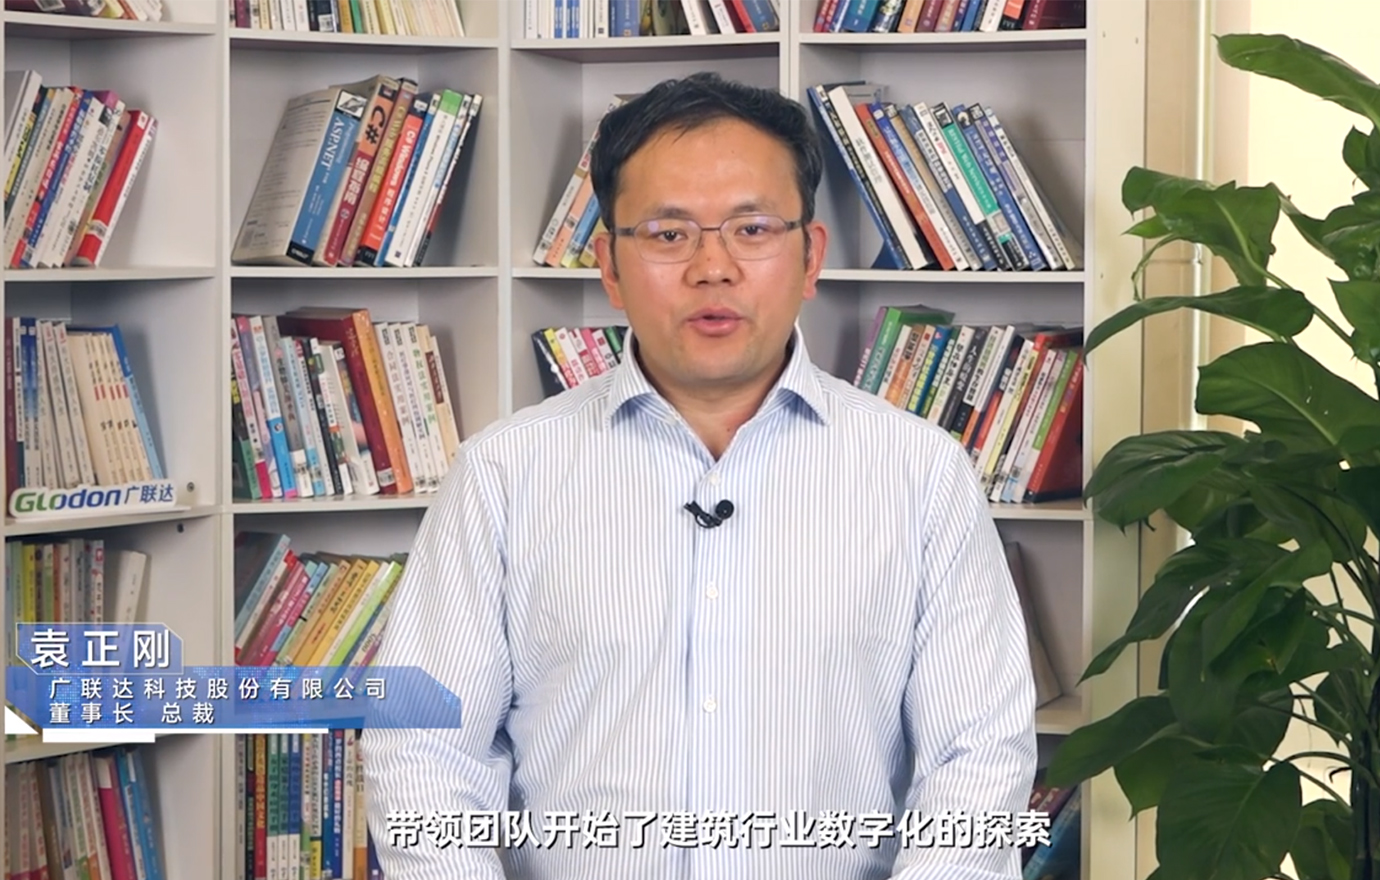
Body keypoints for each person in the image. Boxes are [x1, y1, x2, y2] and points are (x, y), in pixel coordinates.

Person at [362, 71, 1037, 880]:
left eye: (753, 229)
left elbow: (977, 757)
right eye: (668, 233)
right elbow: (425, 750)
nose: (713, 268)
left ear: (810, 256)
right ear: (610, 266)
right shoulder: (505, 474)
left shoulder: (920, 473)